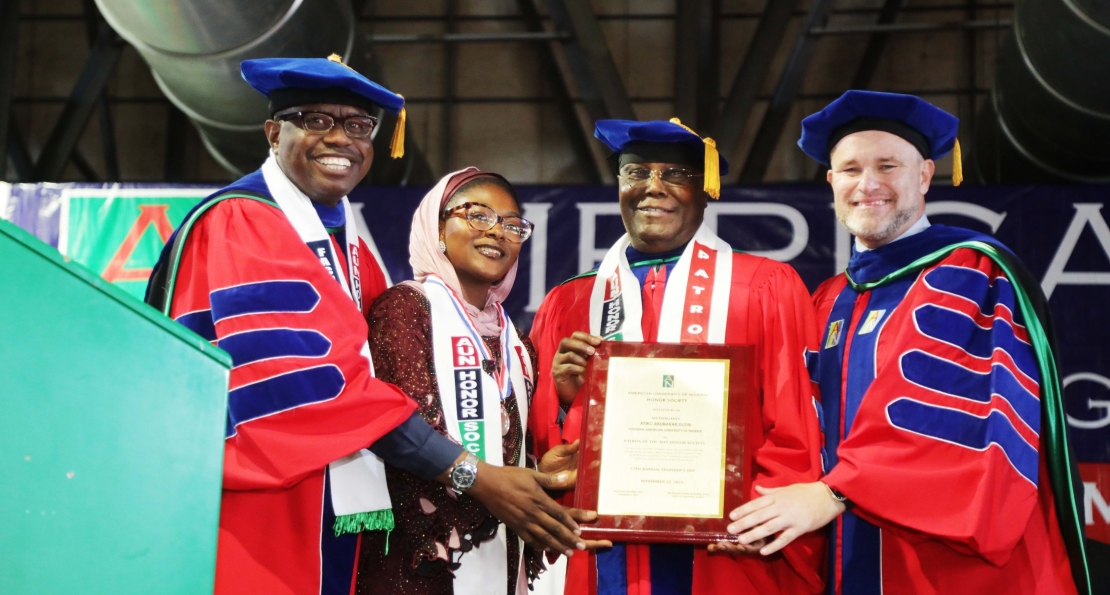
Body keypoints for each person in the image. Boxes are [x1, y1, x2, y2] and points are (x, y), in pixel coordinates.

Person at [145, 56, 589, 595]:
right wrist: (471, 472)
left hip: (342, 516)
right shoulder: (242, 222)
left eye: (358, 125)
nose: (341, 139)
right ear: (272, 132)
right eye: (315, 120)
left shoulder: (356, 251)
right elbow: (319, 390)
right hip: (262, 508)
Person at [726, 90, 1092, 595]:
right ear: (831, 183)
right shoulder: (828, 299)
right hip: (845, 550)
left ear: (924, 175)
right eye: (851, 170)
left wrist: (835, 492)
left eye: (887, 166)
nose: (868, 184)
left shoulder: (968, 271)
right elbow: (788, 416)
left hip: (948, 565)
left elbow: (938, 404)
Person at [529, 118, 826, 595]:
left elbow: (795, 423)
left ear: (706, 191)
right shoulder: (571, 301)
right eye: (636, 173)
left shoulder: (765, 287)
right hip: (606, 547)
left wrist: (758, 518)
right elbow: (541, 445)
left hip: (727, 547)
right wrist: (568, 403)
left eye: (676, 174)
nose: (652, 188)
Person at [354, 168, 605, 594]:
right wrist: (484, 481)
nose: (498, 233)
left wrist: (539, 473)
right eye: (478, 215)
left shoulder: (516, 343)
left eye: (512, 225)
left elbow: (504, 451)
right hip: (417, 568)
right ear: (438, 228)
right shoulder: (405, 309)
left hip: (501, 565)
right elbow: (401, 433)